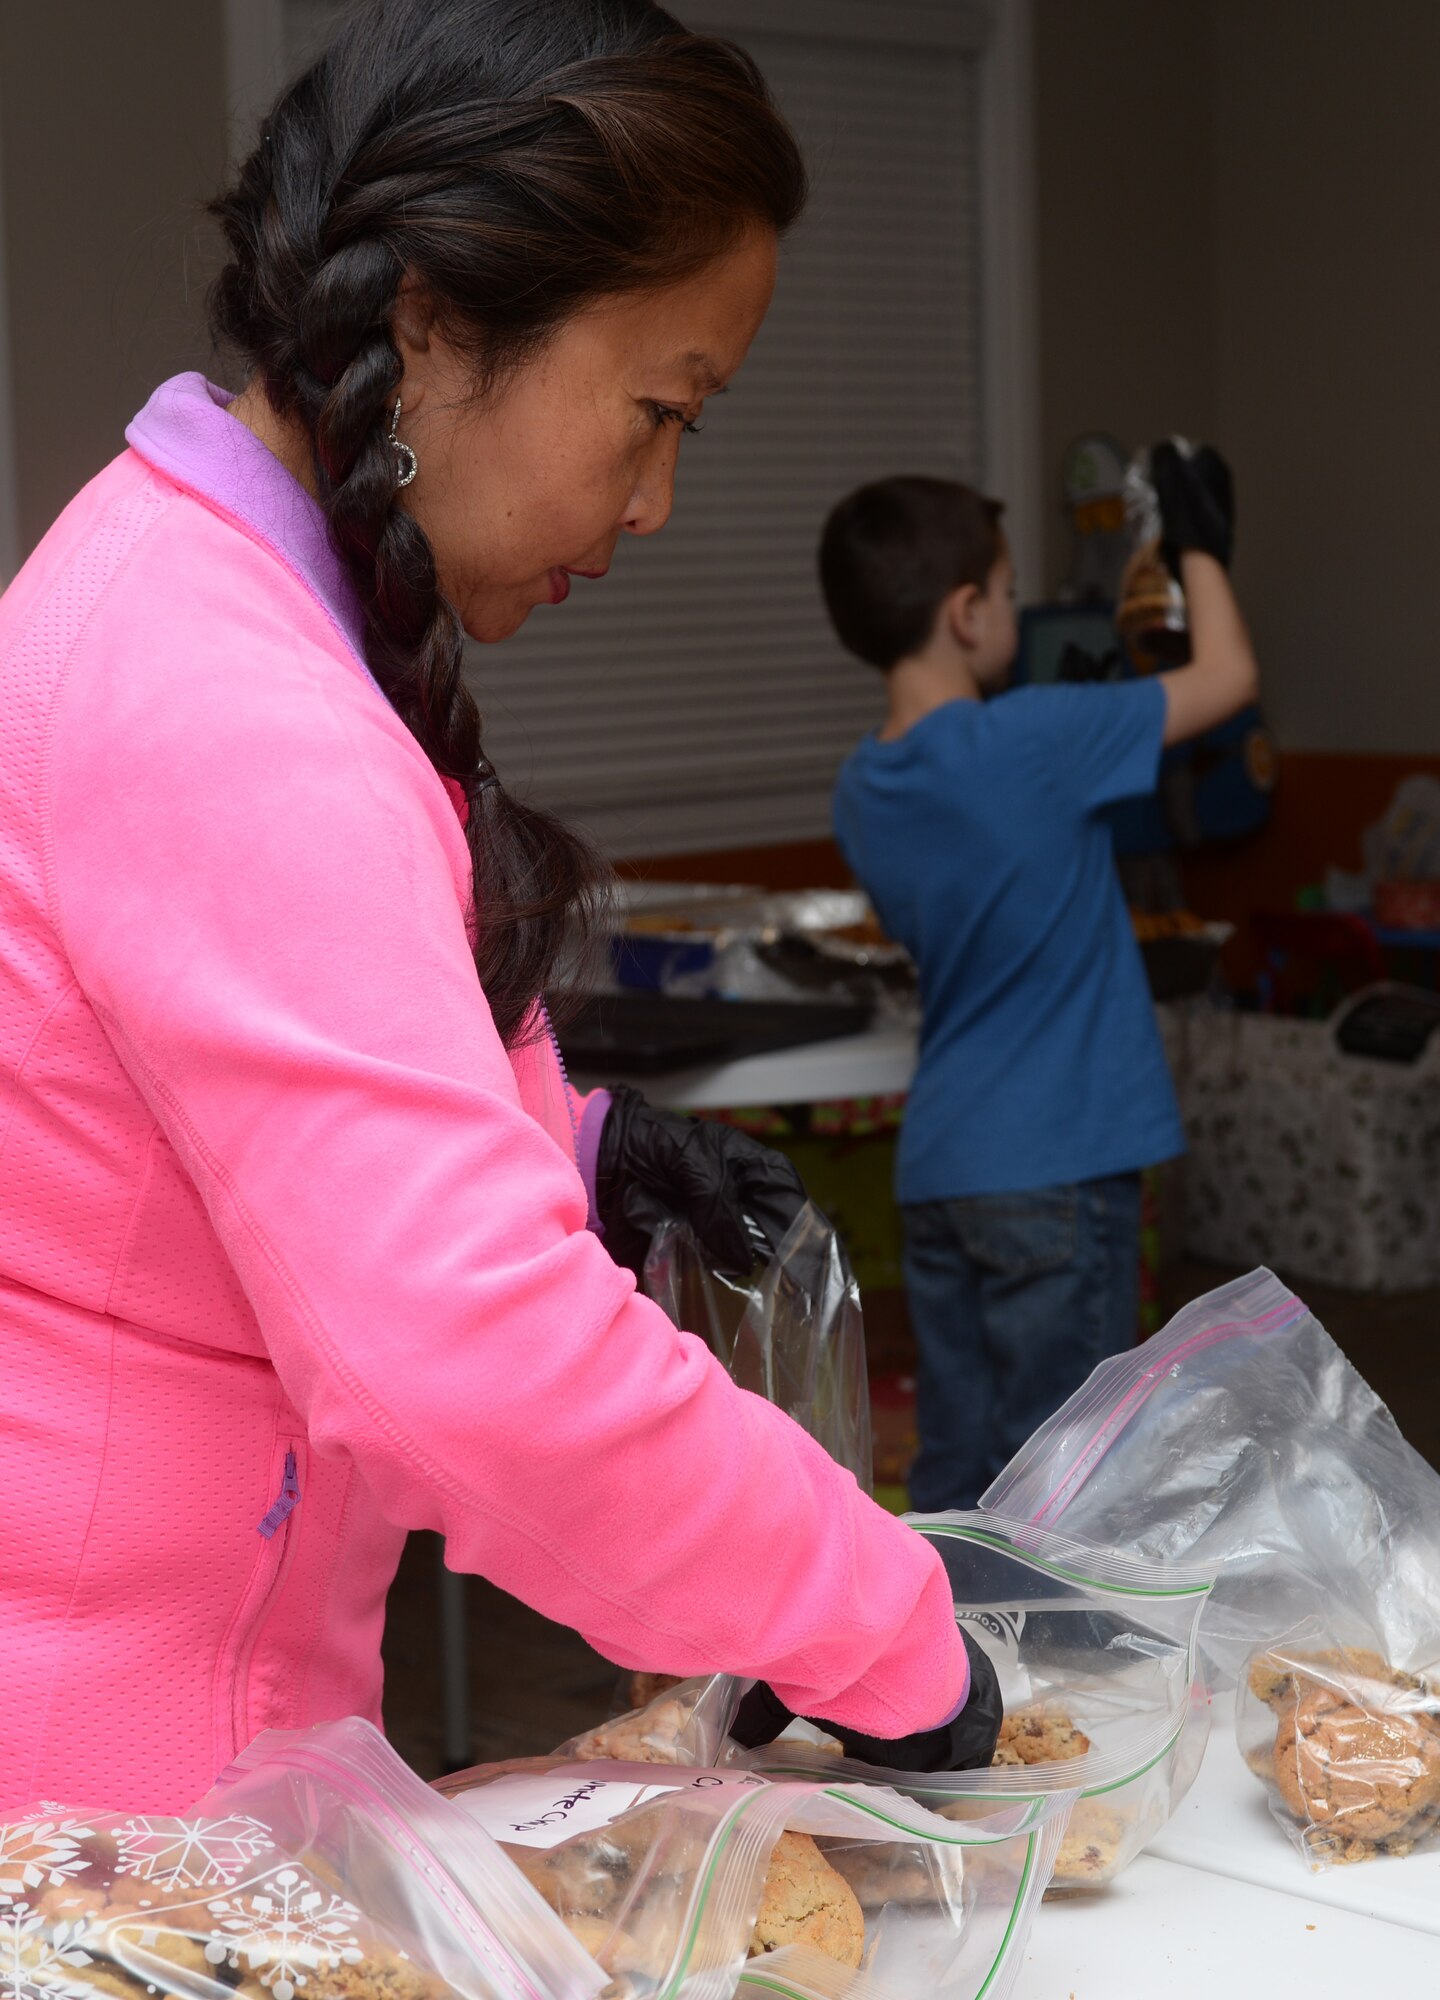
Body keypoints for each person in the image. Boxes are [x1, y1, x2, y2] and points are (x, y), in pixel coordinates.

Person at [0, 0, 993, 1816]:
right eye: (654, 414)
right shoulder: (221, 691)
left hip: (189, 1730)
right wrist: (885, 1629)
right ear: (434, 320)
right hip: (98, 1789)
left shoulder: (211, 600)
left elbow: (242, 1101)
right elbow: (472, 1371)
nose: (659, 498)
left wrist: (577, 1142)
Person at [824, 456, 1258, 1512]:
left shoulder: (860, 789)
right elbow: (1228, 677)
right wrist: (1198, 544)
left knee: (956, 1469)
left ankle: (942, 1673)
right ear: (966, 612)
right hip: (1061, 1163)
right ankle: (1054, 1679)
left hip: (943, 1167)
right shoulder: (1037, 738)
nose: (1015, 609)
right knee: (1069, 1481)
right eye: (1010, 592)